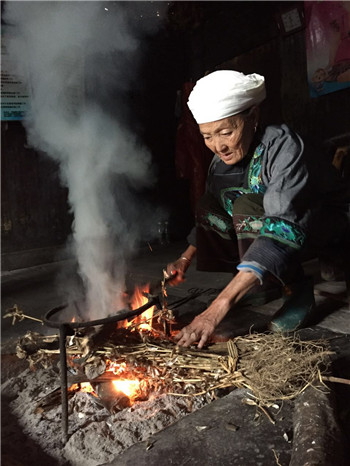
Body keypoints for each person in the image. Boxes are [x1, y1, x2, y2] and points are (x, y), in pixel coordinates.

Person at [166, 70, 349, 349]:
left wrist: (217, 309)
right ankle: (261, 283)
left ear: (253, 117)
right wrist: (184, 259)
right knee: (210, 206)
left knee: (247, 205)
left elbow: (283, 224)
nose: (219, 146)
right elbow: (209, 212)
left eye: (227, 132)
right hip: (279, 223)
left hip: (326, 221)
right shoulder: (220, 161)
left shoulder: (284, 148)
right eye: (208, 136)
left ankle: (297, 289)